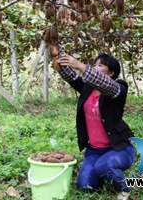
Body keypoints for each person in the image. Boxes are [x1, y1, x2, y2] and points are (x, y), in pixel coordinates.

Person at [55, 47, 135, 200]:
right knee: (85, 186)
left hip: (119, 148)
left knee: (103, 166)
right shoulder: (88, 88)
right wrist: (58, 54)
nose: (94, 68)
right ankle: (103, 172)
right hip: (95, 150)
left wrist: (80, 65)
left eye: (100, 65)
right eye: (94, 64)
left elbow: (105, 84)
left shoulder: (119, 88)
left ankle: (124, 186)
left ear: (111, 73)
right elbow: (71, 76)